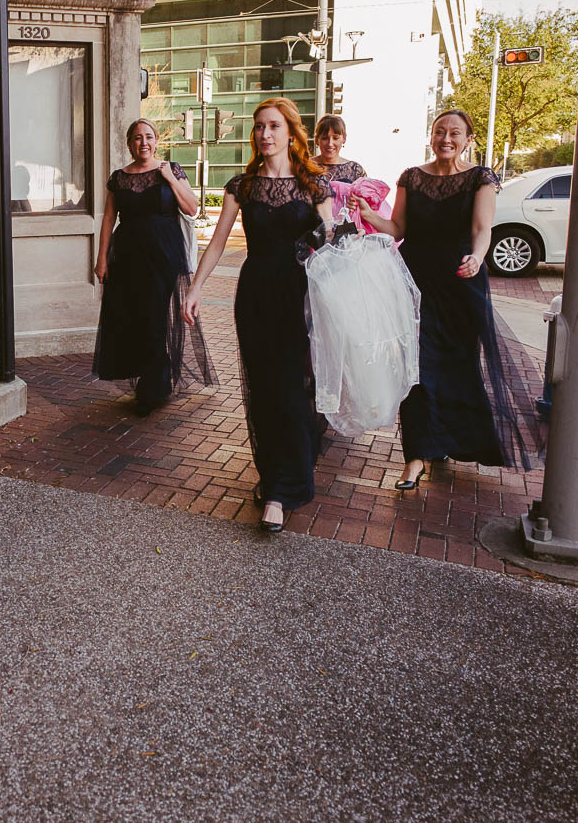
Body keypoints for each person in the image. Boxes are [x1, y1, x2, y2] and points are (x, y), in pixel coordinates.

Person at [353, 109, 532, 491]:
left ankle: (451, 442)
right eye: (439, 132)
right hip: (413, 282)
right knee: (414, 367)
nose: (446, 139)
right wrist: (370, 215)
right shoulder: (411, 178)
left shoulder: (480, 178)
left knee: (456, 364)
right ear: (430, 136)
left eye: (455, 133)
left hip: (460, 279)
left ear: (469, 139)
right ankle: (415, 456)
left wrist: (479, 257)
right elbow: (398, 227)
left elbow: (482, 229)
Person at [183, 98, 336, 532]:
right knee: (265, 391)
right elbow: (215, 244)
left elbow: (333, 241)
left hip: (301, 296)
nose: (264, 134)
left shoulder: (313, 184)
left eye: (273, 126)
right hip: (255, 295)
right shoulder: (241, 186)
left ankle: (281, 489)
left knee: (294, 388)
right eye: (258, 127)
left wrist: (323, 237)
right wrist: (195, 290)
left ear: (291, 132)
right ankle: (275, 480)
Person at [93, 118, 215, 414]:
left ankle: (155, 386)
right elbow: (109, 218)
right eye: (137, 137)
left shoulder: (170, 170)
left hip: (163, 254)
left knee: (155, 318)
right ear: (129, 143)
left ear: (157, 141)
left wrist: (171, 180)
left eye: (148, 137)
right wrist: (101, 259)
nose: (143, 142)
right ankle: (149, 379)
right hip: (126, 257)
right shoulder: (119, 177)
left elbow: (191, 208)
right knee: (133, 318)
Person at [312, 114, 367, 185]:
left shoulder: (355, 170)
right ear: (316, 140)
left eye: (335, 138)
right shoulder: (304, 167)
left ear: (344, 139)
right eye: (324, 138)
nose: (330, 143)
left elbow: (368, 194)